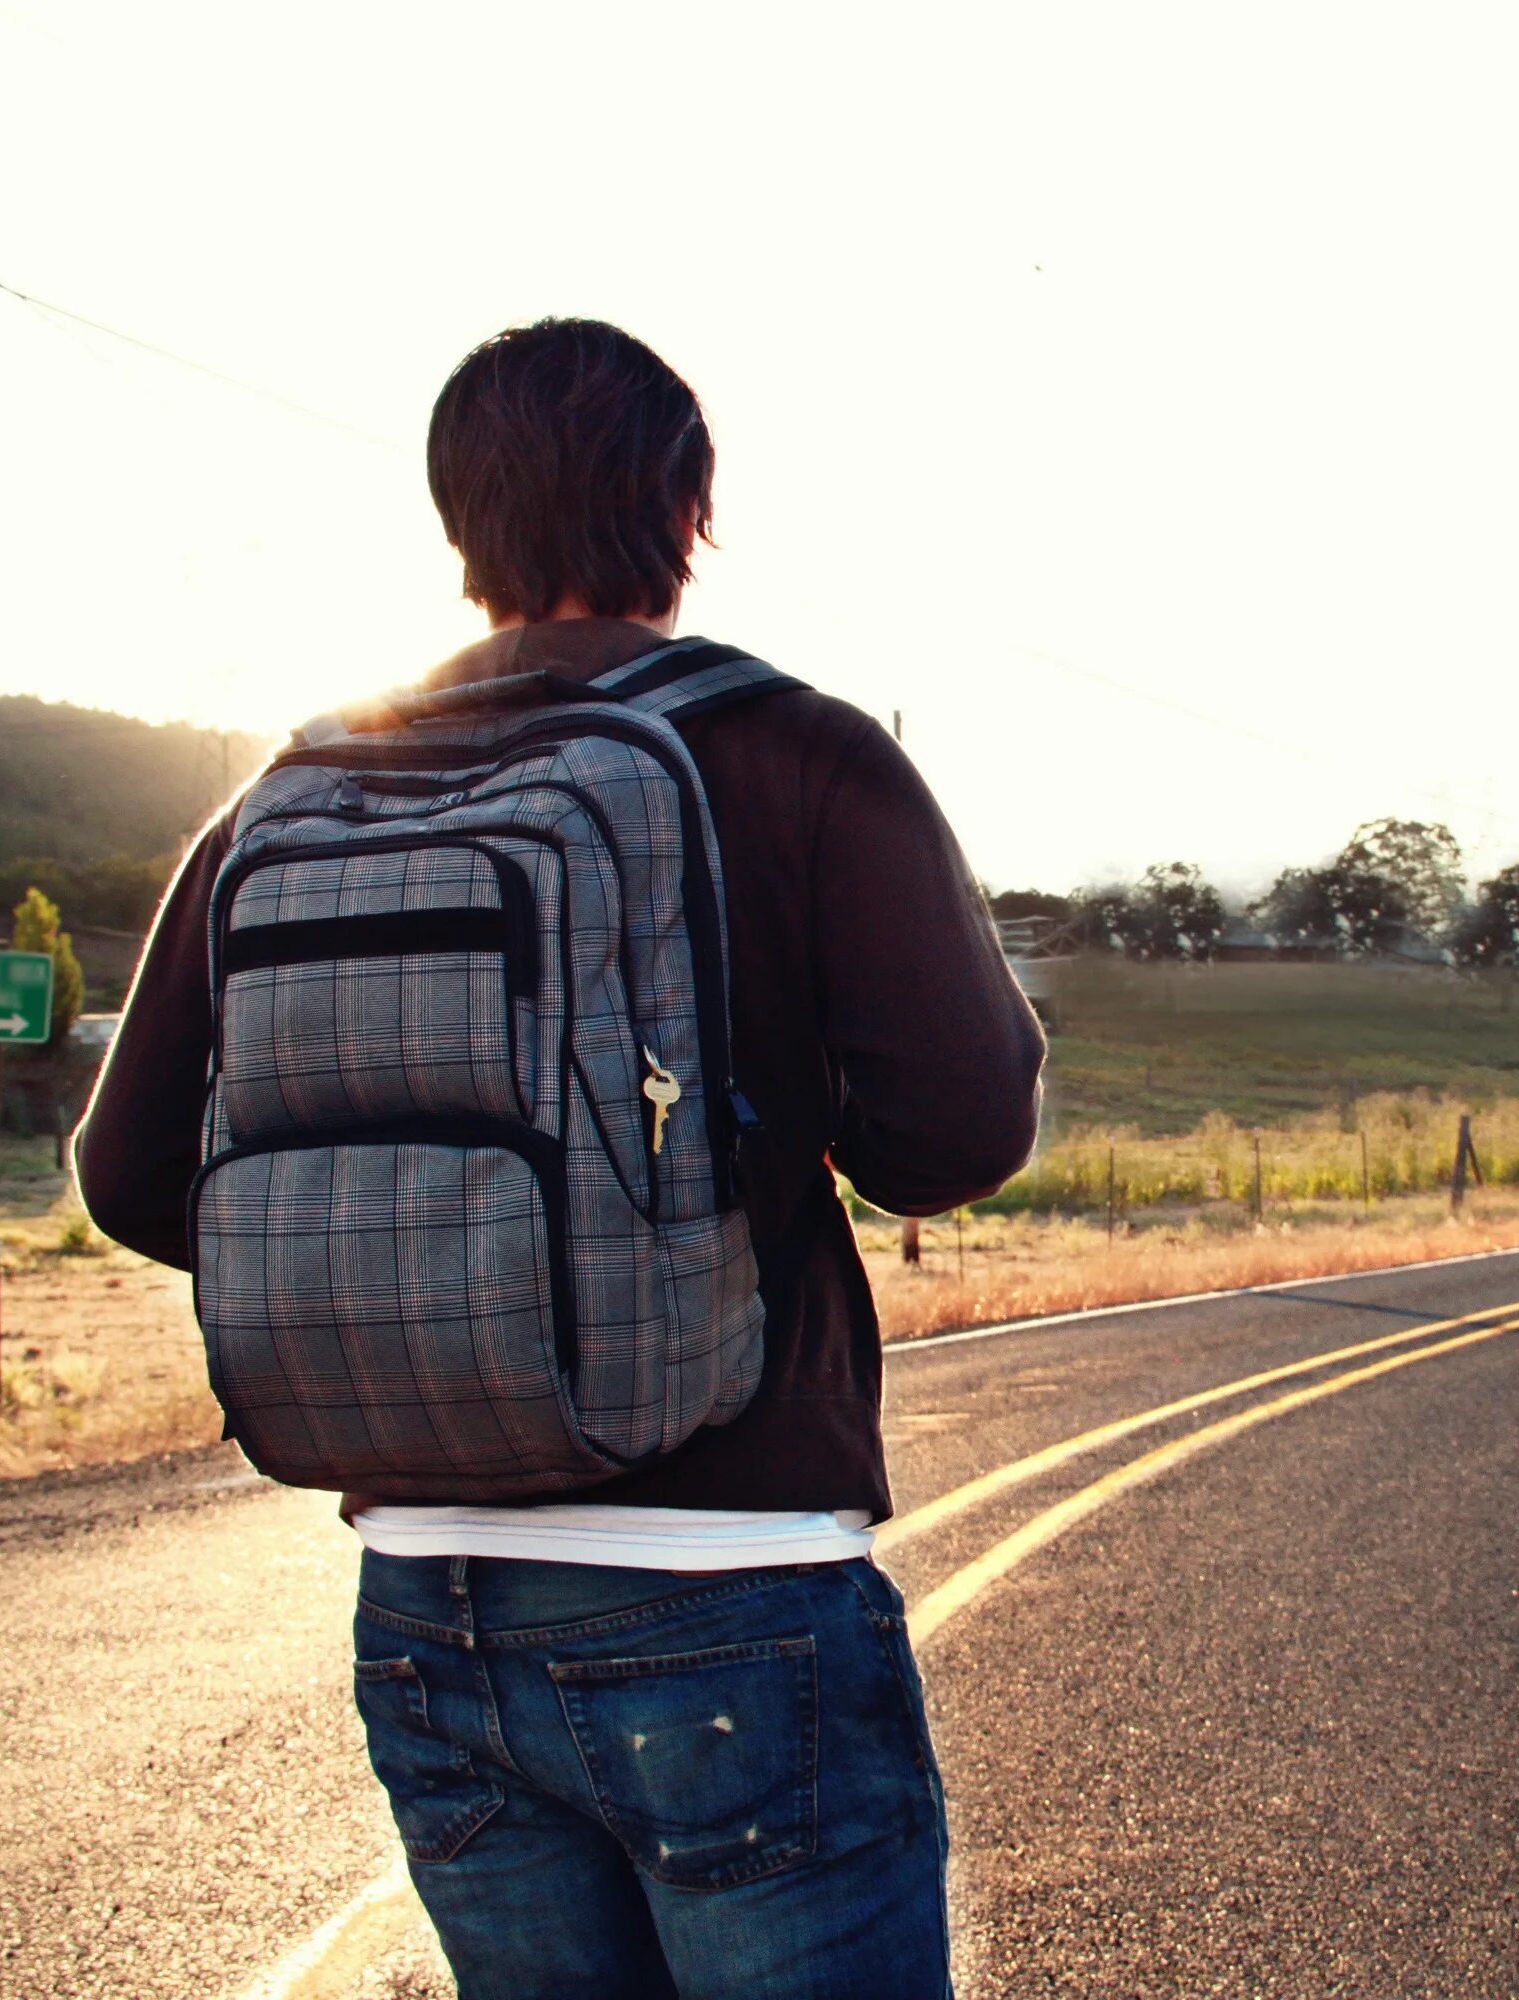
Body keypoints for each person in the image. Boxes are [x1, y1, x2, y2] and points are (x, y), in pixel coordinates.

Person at [76, 317, 1044, 1999]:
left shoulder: (300, 784)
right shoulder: (799, 750)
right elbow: (958, 1134)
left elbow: (132, 1171)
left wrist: (417, 1275)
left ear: (460, 523)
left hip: (425, 1600)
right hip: (730, 1580)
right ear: (689, 508)